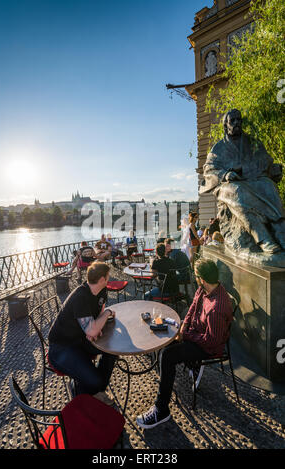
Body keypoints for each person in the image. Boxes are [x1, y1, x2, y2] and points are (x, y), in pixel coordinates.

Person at [136, 259, 233, 429]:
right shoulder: (204, 289)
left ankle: (161, 409)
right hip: (196, 333)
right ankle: (168, 380)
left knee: (167, 355)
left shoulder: (217, 307)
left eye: (196, 277)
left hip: (207, 347)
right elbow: (191, 310)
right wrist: (182, 328)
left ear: (201, 279)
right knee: (165, 340)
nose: (195, 279)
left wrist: (184, 335)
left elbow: (211, 342)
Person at [201, 109, 285, 255]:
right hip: (227, 186)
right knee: (238, 192)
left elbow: (265, 162)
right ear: (225, 125)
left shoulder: (252, 143)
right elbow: (208, 170)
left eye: (239, 120)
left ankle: (280, 232)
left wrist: (273, 169)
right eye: (232, 121)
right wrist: (225, 174)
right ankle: (263, 239)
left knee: (269, 187)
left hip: (252, 181)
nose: (236, 123)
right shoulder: (219, 148)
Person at [48, 261, 116, 405]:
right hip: (61, 347)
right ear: (103, 279)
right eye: (108, 276)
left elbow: (98, 315)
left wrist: (94, 327)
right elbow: (94, 325)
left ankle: (94, 389)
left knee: (113, 349)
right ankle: (84, 388)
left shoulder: (102, 290)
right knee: (96, 380)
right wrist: (107, 314)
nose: (109, 278)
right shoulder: (81, 296)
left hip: (81, 339)